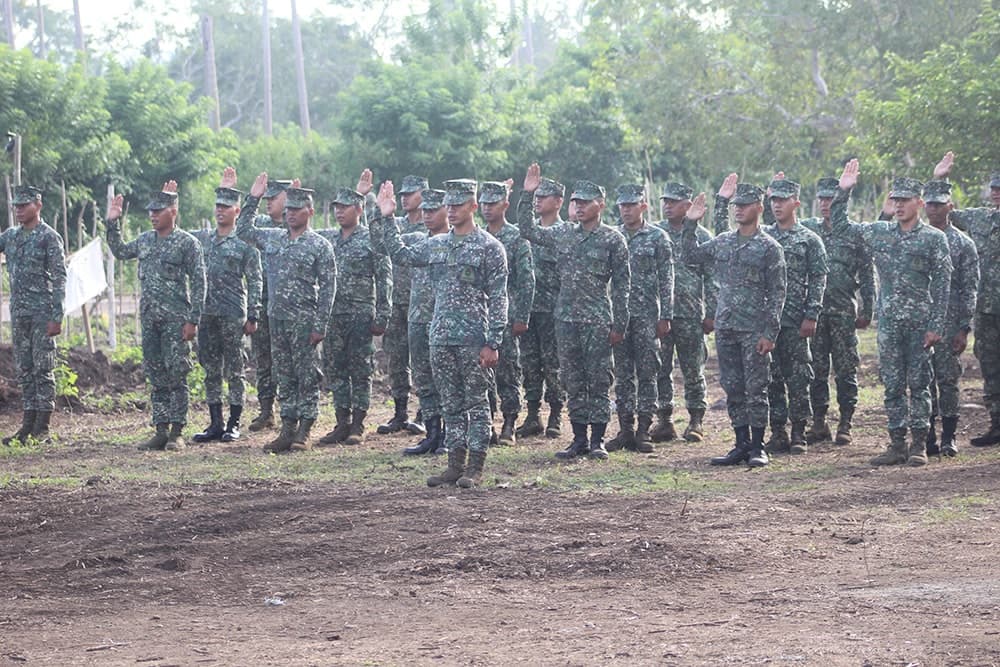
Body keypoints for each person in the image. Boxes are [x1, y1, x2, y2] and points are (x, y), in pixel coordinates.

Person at [374, 178, 508, 488]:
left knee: (476, 404)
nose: (451, 211)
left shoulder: (490, 247)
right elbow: (402, 254)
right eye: (448, 205)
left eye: (457, 205)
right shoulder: (436, 244)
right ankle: (454, 464)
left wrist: (493, 341)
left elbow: (500, 298)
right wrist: (387, 215)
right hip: (440, 338)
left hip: (473, 340)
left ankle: (475, 467)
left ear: (473, 207)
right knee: (450, 403)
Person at [834, 159, 952, 466]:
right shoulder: (881, 233)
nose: (898, 205)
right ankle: (897, 443)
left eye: (904, 200)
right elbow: (842, 227)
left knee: (920, 384)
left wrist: (936, 324)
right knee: (893, 385)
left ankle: (919, 445)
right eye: (895, 200)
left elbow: (942, 284)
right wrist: (844, 192)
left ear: (919, 203)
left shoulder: (933, 239)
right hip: (888, 324)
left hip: (919, 324)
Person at [516, 164, 631, 461]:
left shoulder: (612, 239)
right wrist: (527, 194)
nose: (578, 207)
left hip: (597, 320)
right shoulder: (563, 233)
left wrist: (620, 323)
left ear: (600, 205)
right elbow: (527, 230)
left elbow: (621, 285)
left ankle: (598, 440)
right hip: (564, 319)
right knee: (573, 379)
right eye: (575, 202)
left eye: (585, 202)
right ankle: (578, 439)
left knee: (599, 379)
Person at [683, 175, 786, 468]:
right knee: (732, 386)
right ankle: (740, 444)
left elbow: (778, 293)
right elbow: (689, 256)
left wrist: (770, 331)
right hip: (726, 326)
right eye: (735, 205)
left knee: (757, 388)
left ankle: (757, 446)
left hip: (754, 329)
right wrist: (691, 224)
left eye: (745, 205)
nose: (738, 210)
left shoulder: (769, 247)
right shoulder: (724, 242)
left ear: (759, 207)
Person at [237, 174, 336, 453]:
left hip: (304, 320)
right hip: (276, 318)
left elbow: (329, 287)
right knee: (284, 373)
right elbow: (243, 229)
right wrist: (253, 199)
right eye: (288, 209)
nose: (291, 214)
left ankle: (304, 428)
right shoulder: (273, 238)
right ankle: (287, 427)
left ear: (310, 212)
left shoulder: (319, 245)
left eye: (297, 210)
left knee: (306, 374)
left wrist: (321, 324)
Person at [106, 183, 206, 451]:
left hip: (176, 320)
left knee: (177, 374)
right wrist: (112, 223)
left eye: (158, 211)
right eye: (151, 211)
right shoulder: (145, 240)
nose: (152, 215)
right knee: (156, 373)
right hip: (150, 319)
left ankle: (177, 431)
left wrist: (193, 320)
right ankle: (160, 430)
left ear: (172, 212)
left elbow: (199, 283)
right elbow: (120, 252)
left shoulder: (187, 243)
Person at [746, 177, 828, 455]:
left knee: (799, 377)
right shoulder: (763, 237)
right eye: (773, 200)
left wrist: (812, 313)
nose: (777, 205)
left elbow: (818, 279)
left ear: (796, 203)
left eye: (782, 200)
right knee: (772, 377)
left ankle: (798, 432)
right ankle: (777, 431)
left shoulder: (809, 239)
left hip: (795, 319)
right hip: (767, 320)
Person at [799, 177, 875, 446]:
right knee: (816, 369)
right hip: (815, 315)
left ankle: (845, 422)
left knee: (845, 370)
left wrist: (868, 308)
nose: (825, 204)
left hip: (844, 313)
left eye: (830, 198)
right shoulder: (809, 230)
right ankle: (819, 422)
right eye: (821, 198)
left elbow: (867, 274)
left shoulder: (855, 234)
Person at [316, 187, 392, 447]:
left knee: (360, 369)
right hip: (333, 314)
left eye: (344, 207)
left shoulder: (371, 239)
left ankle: (358, 424)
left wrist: (383, 313)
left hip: (360, 314)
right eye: (336, 207)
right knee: (335, 368)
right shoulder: (329, 240)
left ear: (358, 210)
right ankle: (341, 422)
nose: (339, 211)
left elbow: (384, 278)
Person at [934, 152, 1000, 447]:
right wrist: (941, 179)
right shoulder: (981, 218)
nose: (996, 194)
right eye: (994, 189)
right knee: (990, 365)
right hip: (986, 310)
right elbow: (945, 213)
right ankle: (997, 424)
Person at [190, 183, 262, 443]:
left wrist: (253, 314)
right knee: (210, 369)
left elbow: (255, 280)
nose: (220, 211)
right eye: (217, 206)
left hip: (233, 314)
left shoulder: (244, 243)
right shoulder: (204, 239)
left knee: (235, 369)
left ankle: (234, 422)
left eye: (226, 207)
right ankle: (215, 422)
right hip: (207, 313)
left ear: (237, 210)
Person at [606, 184, 673, 453]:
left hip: (647, 315)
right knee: (622, 375)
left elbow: (667, 279)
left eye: (631, 205)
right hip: (620, 316)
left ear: (643, 207)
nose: (626, 210)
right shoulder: (612, 236)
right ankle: (625, 430)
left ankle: (644, 430)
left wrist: (665, 315)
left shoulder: (657, 237)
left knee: (648, 372)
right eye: (622, 205)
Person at [651, 182, 717, 443]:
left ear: (688, 206)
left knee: (693, 368)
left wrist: (711, 312)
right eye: (665, 201)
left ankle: (696, 420)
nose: (667, 205)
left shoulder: (704, 237)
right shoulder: (655, 233)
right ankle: (664, 420)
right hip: (660, 314)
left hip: (691, 314)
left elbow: (712, 278)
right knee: (660, 368)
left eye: (673, 201)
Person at [0, 185, 66, 445]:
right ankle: (27, 424)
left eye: (23, 205)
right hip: (19, 313)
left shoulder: (49, 237)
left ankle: (43, 427)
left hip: (42, 313)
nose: (18, 210)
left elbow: (60, 277)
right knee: (24, 368)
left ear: (38, 206)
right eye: (16, 206)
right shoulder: (11, 236)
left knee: (43, 368)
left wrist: (57, 315)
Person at [390, 188, 450, 456]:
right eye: (424, 210)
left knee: (447, 381)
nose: (426, 215)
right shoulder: (418, 240)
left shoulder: (457, 242)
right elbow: (391, 249)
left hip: (447, 322)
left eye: (432, 210)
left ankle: (451, 436)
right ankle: (432, 434)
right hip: (418, 319)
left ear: (447, 210)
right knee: (424, 379)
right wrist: (385, 215)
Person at [479, 180, 535, 446]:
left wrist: (522, 316)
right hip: (479, 316)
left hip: (507, 316)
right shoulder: (477, 236)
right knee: (482, 374)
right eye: (484, 203)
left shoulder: (516, 237)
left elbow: (527, 280)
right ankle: (486, 422)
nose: (487, 208)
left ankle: (510, 422)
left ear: (505, 205)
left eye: (492, 203)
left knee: (508, 371)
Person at [516, 177, 568, 440]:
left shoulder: (565, 233)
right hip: (528, 310)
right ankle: (533, 414)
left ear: (558, 201)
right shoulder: (528, 231)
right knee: (529, 364)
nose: (538, 200)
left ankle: (556, 414)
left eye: (542, 196)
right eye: (536, 196)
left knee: (553, 364)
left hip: (553, 310)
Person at [378, 174, 429, 436]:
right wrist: (377, 209)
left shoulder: (432, 227)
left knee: (423, 361)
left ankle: (424, 413)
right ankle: (400, 412)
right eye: (402, 193)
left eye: (411, 193)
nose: (404, 197)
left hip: (421, 303)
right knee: (397, 359)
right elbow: (375, 241)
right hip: (396, 301)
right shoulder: (395, 224)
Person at [238, 176, 290, 433]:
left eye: (273, 198)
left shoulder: (299, 228)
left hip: (289, 306)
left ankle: (292, 412)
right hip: (263, 302)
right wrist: (253, 199)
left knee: (290, 360)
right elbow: (241, 227)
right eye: (267, 199)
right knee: (264, 357)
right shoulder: (262, 227)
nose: (269, 203)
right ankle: (266, 410)